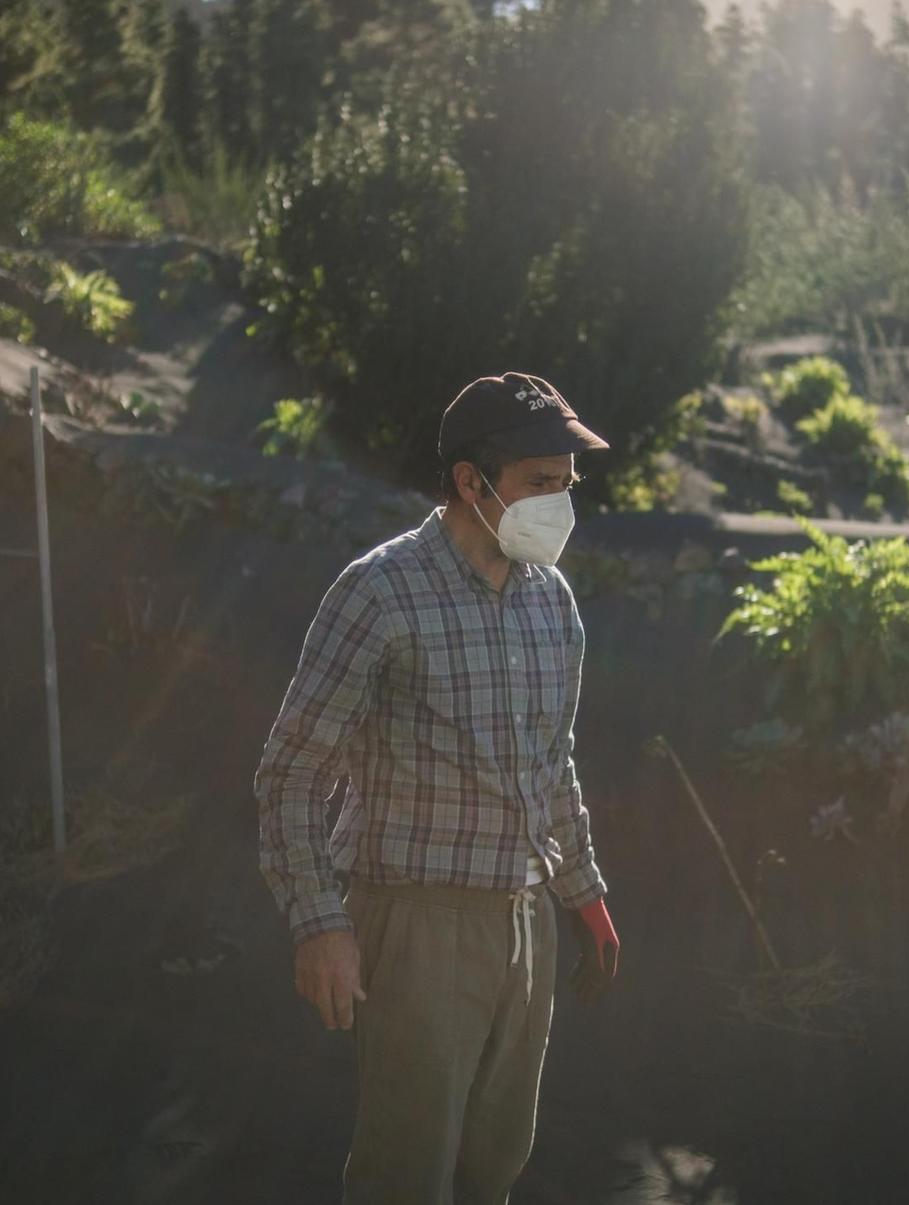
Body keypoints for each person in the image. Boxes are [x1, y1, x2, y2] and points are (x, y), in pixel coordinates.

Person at [254, 371, 622, 1204]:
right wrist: (319, 923)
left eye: (567, 485)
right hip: (418, 922)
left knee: (495, 1162)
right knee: (406, 1171)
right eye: (540, 483)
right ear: (470, 480)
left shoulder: (551, 602)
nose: (560, 504)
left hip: (524, 924)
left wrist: (584, 893)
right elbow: (291, 768)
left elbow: (553, 760)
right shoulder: (380, 592)